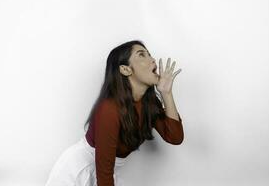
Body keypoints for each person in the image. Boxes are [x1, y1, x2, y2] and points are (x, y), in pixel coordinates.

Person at [45, 40, 184, 186]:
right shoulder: (109, 110)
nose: (152, 59)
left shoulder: (149, 103)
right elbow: (104, 174)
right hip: (78, 171)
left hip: (107, 172)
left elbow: (175, 137)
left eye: (149, 54)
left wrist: (166, 94)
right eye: (142, 55)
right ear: (125, 69)